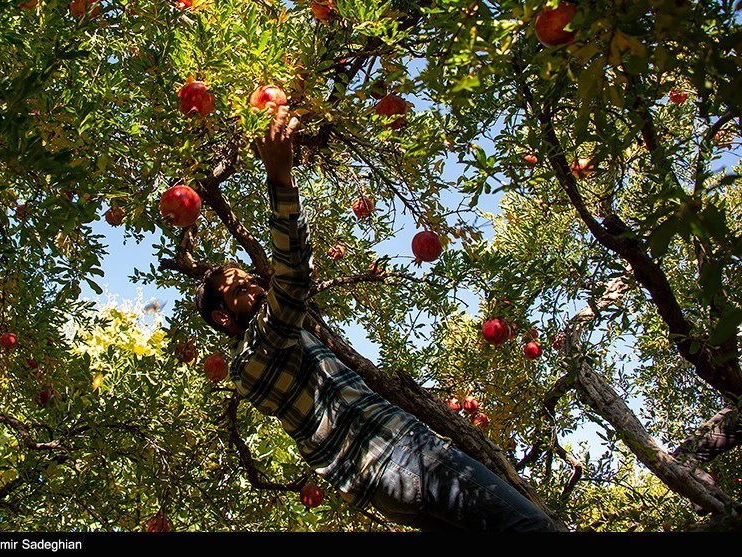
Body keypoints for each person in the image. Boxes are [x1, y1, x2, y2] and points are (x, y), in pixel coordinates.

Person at [195, 104, 557, 532]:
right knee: (533, 528)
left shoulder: (276, 346)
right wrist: (280, 178)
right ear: (222, 316)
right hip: (399, 452)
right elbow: (292, 281)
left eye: (251, 281)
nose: (255, 288)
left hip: (383, 489)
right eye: (240, 290)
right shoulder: (253, 355)